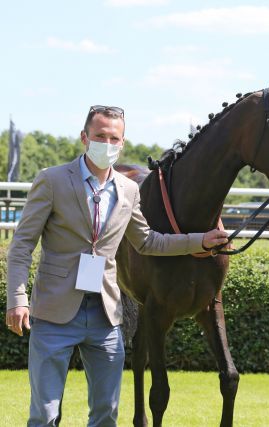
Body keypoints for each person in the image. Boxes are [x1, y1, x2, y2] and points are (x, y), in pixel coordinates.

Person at [5, 105, 230, 426]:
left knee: (106, 414)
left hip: (105, 316)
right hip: (54, 313)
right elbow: (22, 245)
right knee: (46, 414)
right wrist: (17, 298)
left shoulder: (128, 189)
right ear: (85, 137)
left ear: (122, 143)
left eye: (114, 138)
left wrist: (199, 241)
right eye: (100, 136)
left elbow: (149, 241)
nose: (107, 144)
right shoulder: (51, 181)